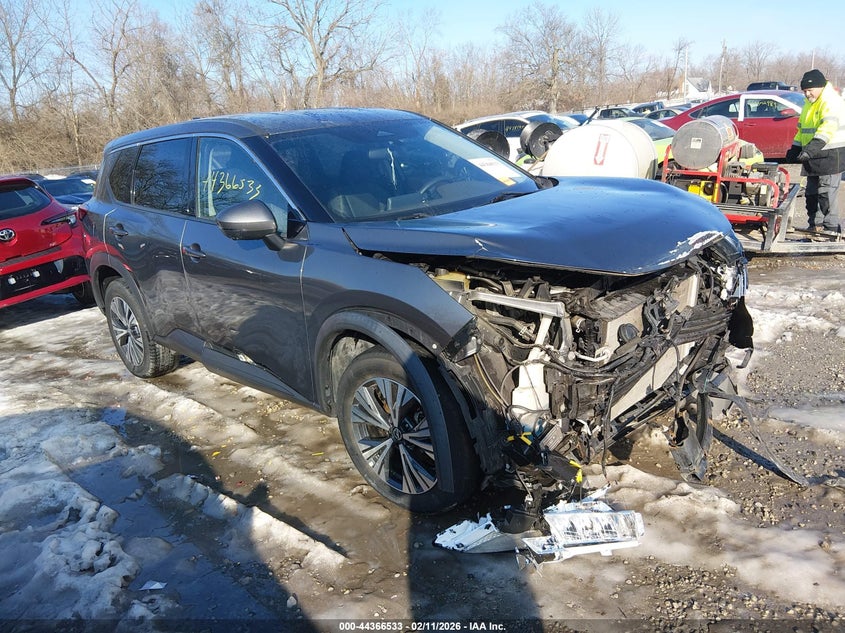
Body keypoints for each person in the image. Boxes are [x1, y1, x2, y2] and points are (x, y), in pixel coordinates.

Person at [785, 69, 845, 233]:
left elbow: (828, 128)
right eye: (804, 91)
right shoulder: (809, 104)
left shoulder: (831, 102)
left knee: (826, 193)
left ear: (820, 87)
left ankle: (831, 228)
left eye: (809, 90)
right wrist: (795, 148)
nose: (807, 94)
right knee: (811, 194)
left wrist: (810, 150)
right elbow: (801, 130)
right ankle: (815, 225)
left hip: (830, 155)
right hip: (814, 155)